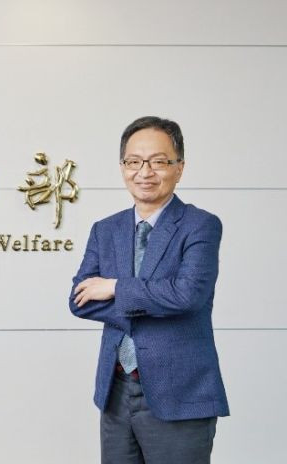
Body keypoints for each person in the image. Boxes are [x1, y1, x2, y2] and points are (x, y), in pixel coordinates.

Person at [69, 116, 229, 463]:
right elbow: (80, 300)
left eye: (158, 161)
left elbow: (187, 295)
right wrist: (154, 301)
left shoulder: (200, 225)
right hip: (116, 391)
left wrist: (114, 287)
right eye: (134, 162)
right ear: (122, 167)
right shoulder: (105, 229)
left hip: (179, 393)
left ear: (179, 167)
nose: (145, 172)